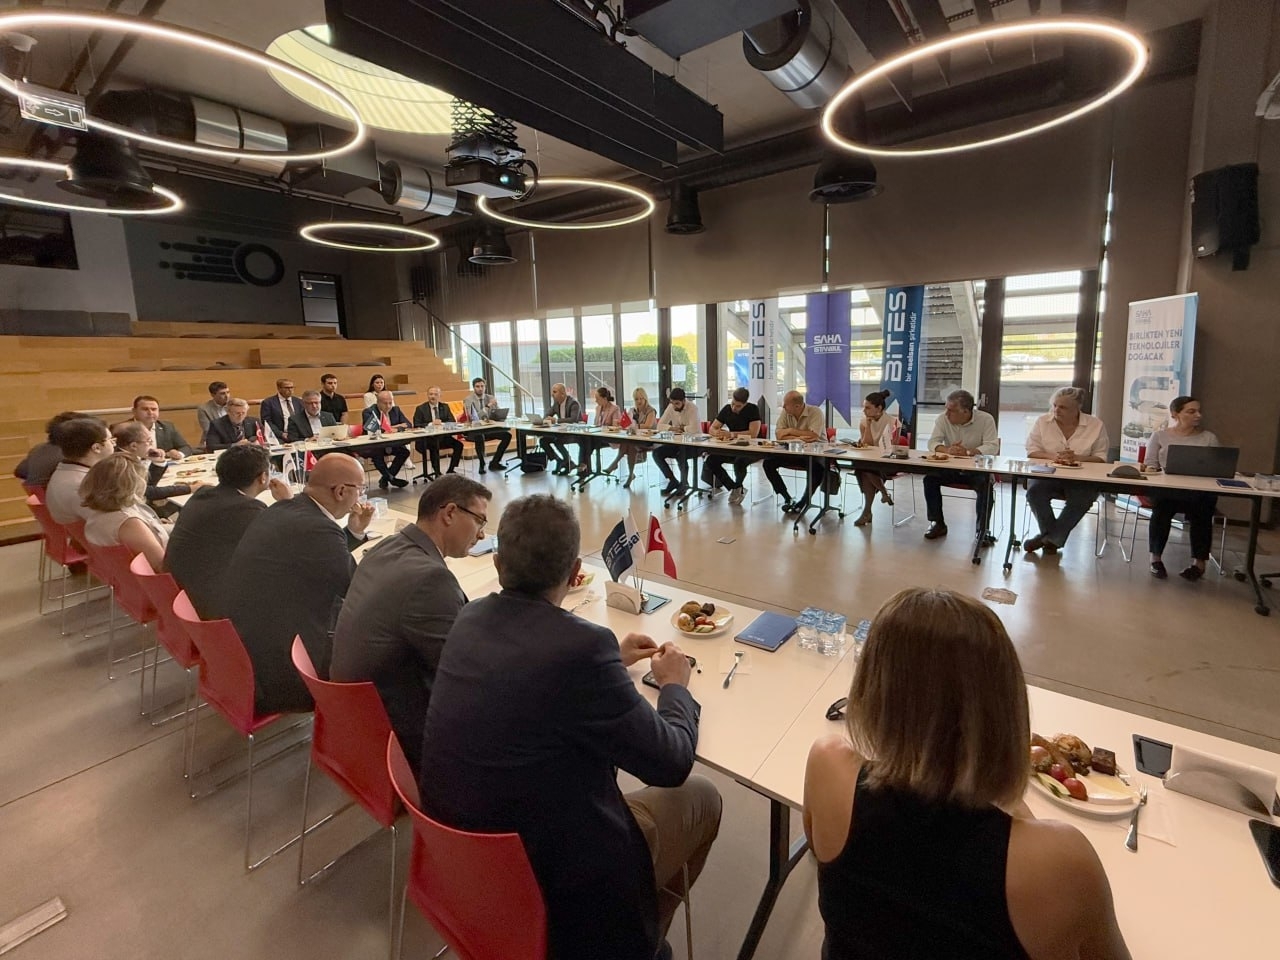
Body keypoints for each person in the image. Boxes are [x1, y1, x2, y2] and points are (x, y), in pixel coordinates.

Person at [420, 495, 722, 960]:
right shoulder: (582, 650)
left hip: (465, 867)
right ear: (574, 571)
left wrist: (609, 662)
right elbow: (671, 763)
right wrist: (675, 687)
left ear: (498, 564)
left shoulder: (468, 618)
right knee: (703, 798)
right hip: (554, 879)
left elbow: (529, 677)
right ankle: (638, 946)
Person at [804, 587, 1131, 960]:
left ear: (872, 690)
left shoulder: (827, 766)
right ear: (1005, 707)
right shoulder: (1060, 864)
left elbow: (820, 849)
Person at [330, 475, 491, 776]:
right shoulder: (431, 579)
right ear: (450, 513)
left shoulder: (386, 547)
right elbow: (463, 674)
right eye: (480, 521)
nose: (482, 534)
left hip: (353, 723)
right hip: (397, 738)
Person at [224, 454, 375, 713]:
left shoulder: (283, 509)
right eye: (360, 490)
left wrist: (353, 533)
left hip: (244, 654)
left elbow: (322, 563)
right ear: (341, 491)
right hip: (285, 674)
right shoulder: (318, 529)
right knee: (385, 643)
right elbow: (358, 591)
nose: (360, 497)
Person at [165, 444, 292, 620]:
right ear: (263, 477)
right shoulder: (248, 509)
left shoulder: (203, 493)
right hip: (209, 607)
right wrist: (288, 503)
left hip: (179, 594)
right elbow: (288, 542)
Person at [1025, 386, 1110, 554]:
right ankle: (1053, 538)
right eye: (1055, 405)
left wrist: (1077, 458)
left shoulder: (1095, 425)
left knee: (1083, 498)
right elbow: (1032, 451)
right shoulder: (1043, 422)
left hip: (1082, 477)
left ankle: (1047, 539)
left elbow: (1101, 457)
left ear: (1077, 408)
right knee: (1034, 493)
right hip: (1048, 474)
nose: (1056, 410)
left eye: (1063, 407)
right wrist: (1054, 456)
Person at [1145, 395, 1220, 581]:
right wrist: (1156, 471)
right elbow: (1150, 464)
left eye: (1199, 411)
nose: (1198, 415)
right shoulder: (1160, 436)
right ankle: (1155, 559)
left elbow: (1218, 468)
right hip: (1168, 489)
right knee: (1162, 507)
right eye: (1191, 411)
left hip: (1198, 491)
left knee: (1203, 509)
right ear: (1175, 414)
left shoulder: (1209, 438)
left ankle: (1199, 564)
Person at [921, 389, 1000, 542]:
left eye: (951, 410)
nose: (946, 413)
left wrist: (969, 452)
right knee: (929, 479)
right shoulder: (943, 419)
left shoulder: (986, 419)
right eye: (946, 408)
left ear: (966, 411)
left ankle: (982, 530)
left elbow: (992, 446)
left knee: (985, 486)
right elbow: (932, 442)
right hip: (950, 467)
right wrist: (947, 450)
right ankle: (937, 523)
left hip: (976, 468)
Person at [79, 452, 169, 572]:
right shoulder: (128, 522)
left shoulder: (96, 515)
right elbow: (162, 566)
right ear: (131, 486)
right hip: (162, 579)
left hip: (122, 578)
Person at [112, 420, 202, 514]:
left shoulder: (128, 456)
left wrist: (158, 463)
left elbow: (147, 485)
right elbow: (147, 491)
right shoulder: (122, 463)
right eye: (149, 441)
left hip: (139, 507)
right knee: (191, 503)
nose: (152, 445)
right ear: (133, 446)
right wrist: (189, 488)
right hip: (133, 512)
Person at [762, 390, 827, 514]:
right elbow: (779, 435)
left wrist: (790, 431)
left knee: (817, 468)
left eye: (786, 404)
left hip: (817, 452)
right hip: (794, 451)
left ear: (797, 406)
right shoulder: (786, 413)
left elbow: (813, 436)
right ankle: (787, 497)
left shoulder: (815, 412)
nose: (783, 406)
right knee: (768, 463)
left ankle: (803, 502)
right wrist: (798, 436)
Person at [46, 417, 113, 525]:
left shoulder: (64, 471)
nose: (114, 444)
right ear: (96, 448)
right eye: (110, 440)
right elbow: (115, 523)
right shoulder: (85, 486)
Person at [700, 387, 761, 505]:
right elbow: (712, 428)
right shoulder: (727, 409)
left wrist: (731, 434)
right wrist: (717, 432)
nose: (734, 408)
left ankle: (738, 486)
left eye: (738, 406)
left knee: (739, 462)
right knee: (711, 460)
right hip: (731, 447)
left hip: (750, 448)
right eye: (733, 403)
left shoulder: (753, 409)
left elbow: (753, 433)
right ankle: (734, 487)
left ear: (745, 404)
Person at [851, 390, 900, 526]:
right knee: (865, 468)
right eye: (864, 407)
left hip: (887, 461)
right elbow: (867, 445)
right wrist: (868, 425)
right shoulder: (864, 422)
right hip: (869, 460)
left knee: (865, 469)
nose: (864, 411)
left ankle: (868, 511)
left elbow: (892, 447)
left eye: (867, 408)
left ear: (879, 408)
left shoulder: (893, 422)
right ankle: (882, 494)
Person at [15, 411, 87, 489]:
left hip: (38, 494)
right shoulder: (69, 454)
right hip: (56, 493)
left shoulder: (38, 448)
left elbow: (19, 472)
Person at [653, 387, 700, 497]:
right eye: (672, 403)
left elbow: (695, 429)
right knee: (656, 453)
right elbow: (659, 425)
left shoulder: (693, 408)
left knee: (680, 454)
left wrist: (682, 428)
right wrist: (671, 428)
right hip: (677, 443)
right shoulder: (671, 407)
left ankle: (684, 483)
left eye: (677, 404)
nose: (674, 406)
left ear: (684, 401)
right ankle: (672, 480)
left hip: (694, 444)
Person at [361, 391, 412, 488]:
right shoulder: (368, 412)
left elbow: (408, 425)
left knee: (404, 452)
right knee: (377, 455)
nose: (388, 406)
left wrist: (396, 429)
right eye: (385, 403)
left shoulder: (396, 410)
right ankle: (392, 479)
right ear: (378, 402)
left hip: (392, 443)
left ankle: (385, 478)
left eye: (390, 403)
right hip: (375, 444)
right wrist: (395, 427)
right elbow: (373, 429)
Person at [412, 386, 464, 478]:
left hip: (443, 437)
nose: (433, 396)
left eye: (436, 394)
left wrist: (442, 424)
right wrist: (431, 424)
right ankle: (437, 472)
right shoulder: (420, 408)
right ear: (427, 395)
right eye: (431, 394)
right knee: (434, 446)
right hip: (426, 439)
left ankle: (451, 469)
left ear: (440, 396)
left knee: (459, 445)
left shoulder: (445, 407)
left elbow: (452, 421)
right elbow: (416, 424)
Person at [462, 377, 512, 474]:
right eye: (477, 386)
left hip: (489, 428)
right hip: (475, 429)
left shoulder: (490, 397)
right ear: (474, 388)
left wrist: (499, 414)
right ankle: (482, 464)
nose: (480, 388)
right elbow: (474, 417)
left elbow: (497, 412)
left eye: (482, 386)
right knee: (479, 436)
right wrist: (487, 406)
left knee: (507, 435)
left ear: (485, 387)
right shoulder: (468, 400)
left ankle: (495, 462)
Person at [126, 396, 193, 459]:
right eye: (145, 409)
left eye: (154, 409)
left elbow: (185, 447)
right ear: (134, 411)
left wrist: (178, 454)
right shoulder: (124, 429)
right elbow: (121, 454)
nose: (150, 413)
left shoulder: (167, 427)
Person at [576, 386, 622, 477]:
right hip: (597, 436)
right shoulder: (598, 408)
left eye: (597, 398)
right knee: (584, 440)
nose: (596, 401)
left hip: (609, 438)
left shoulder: (615, 409)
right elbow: (596, 424)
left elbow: (615, 427)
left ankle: (584, 468)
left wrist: (603, 429)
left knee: (587, 442)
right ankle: (585, 468)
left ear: (604, 399)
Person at [619, 387, 658, 489]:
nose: (639, 401)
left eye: (641, 398)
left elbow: (648, 425)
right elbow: (626, 424)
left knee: (630, 445)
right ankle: (630, 474)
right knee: (627, 444)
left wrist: (634, 426)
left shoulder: (651, 410)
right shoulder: (633, 410)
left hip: (649, 440)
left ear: (645, 398)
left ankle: (617, 464)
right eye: (636, 399)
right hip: (636, 438)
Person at [543, 382, 583, 476]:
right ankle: (560, 460)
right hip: (561, 432)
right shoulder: (556, 403)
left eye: (554, 392)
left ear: (563, 393)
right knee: (543, 441)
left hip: (574, 433)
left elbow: (573, 419)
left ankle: (567, 462)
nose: (552, 394)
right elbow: (547, 415)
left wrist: (556, 420)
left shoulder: (573, 403)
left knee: (558, 441)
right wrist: (546, 419)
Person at [259, 378, 299, 443]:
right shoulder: (268, 402)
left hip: (298, 435)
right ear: (279, 388)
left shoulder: (298, 401)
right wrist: (281, 434)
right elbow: (267, 422)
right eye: (287, 388)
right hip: (279, 436)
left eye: (292, 387)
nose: (290, 390)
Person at [196, 381, 230, 448]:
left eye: (228, 392)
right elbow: (208, 429)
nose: (227, 396)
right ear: (213, 395)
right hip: (213, 441)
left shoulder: (234, 405)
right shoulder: (204, 409)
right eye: (222, 393)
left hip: (233, 440)